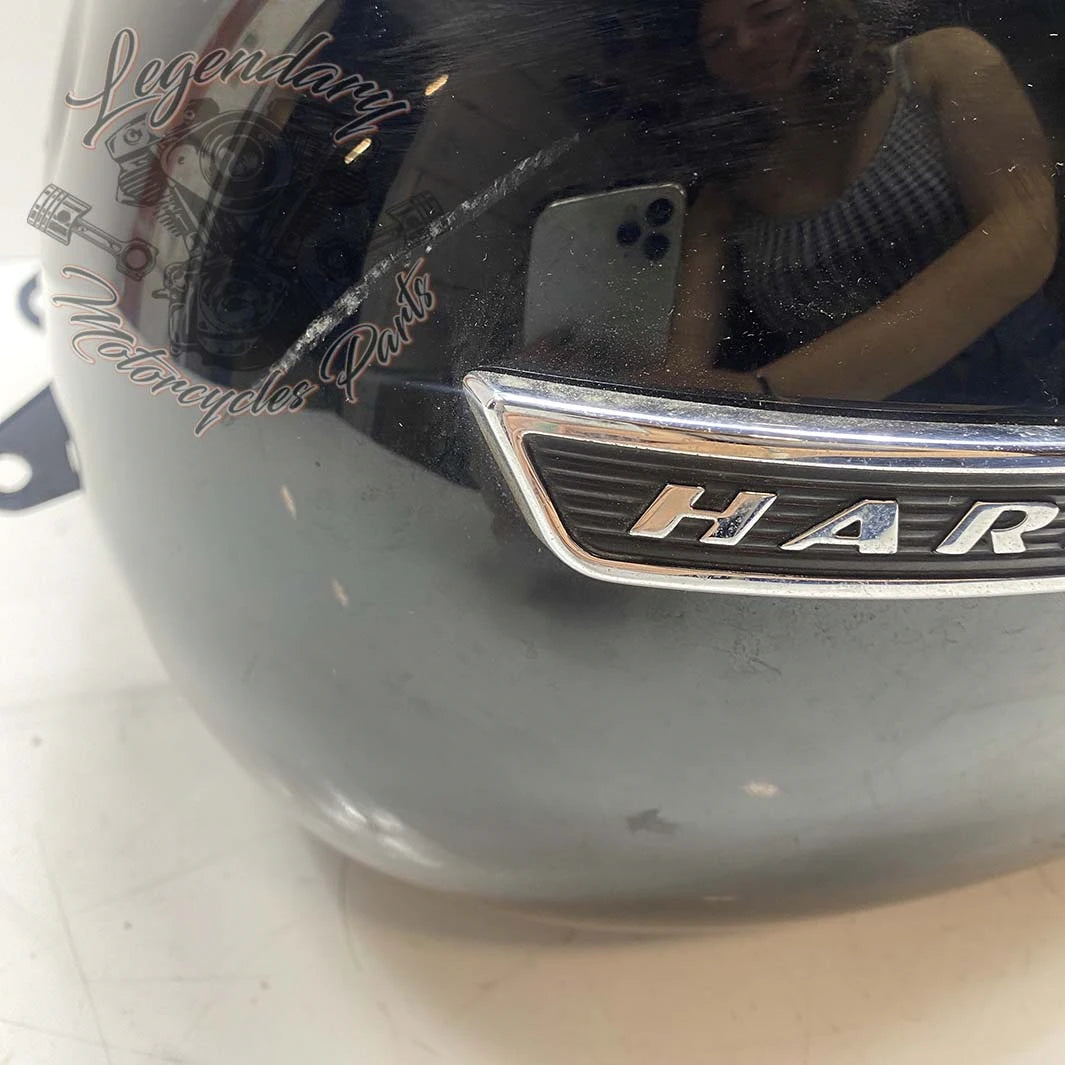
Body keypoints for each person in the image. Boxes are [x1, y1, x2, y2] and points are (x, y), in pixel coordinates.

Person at [661, 0, 1065, 405]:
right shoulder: (725, 195)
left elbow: (1024, 237)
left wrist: (774, 390)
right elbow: (680, 377)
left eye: (771, 14)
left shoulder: (937, 62)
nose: (746, 44)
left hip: (1030, 406)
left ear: (820, 8)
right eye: (718, 41)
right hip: (848, 432)